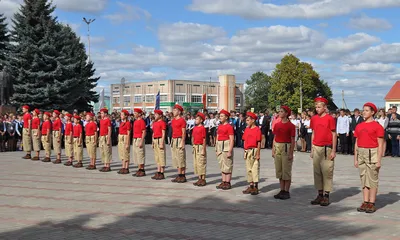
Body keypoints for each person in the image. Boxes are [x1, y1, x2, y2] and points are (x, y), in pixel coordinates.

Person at [354, 103, 384, 213]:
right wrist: (355, 158)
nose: (364, 112)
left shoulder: (377, 126)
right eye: (363, 110)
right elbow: (356, 143)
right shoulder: (359, 126)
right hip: (361, 152)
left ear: (372, 112)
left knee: (372, 179)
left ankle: (372, 203)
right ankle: (365, 201)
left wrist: (379, 160)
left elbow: (380, 144)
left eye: (366, 110)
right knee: (363, 178)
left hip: (372, 153)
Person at [310, 96, 337, 207]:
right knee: (317, 172)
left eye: (319, 106)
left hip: (327, 148)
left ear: (325, 107)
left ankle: (326, 195)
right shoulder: (314, 118)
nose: (317, 108)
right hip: (316, 147)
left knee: (327, 172)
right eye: (316, 106)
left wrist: (334, 150)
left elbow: (334, 134)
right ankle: (319, 194)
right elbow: (313, 133)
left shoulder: (330, 119)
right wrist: (312, 148)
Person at [272, 106, 295, 200]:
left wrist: (290, 153)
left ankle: (286, 191)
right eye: (279, 111)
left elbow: (292, 140)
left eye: (282, 112)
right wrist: (273, 149)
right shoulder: (277, 125)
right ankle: (281, 190)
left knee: (286, 171)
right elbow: (275, 137)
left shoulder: (291, 126)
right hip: (277, 146)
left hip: (286, 147)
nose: (279, 113)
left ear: (286, 114)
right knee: (279, 170)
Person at [242, 112, 262, 195]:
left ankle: (255, 186)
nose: (246, 122)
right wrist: (244, 150)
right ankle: (250, 185)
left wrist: (258, 153)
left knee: (255, 168)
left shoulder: (257, 130)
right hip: (247, 151)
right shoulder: (247, 129)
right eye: (246, 120)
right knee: (248, 169)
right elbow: (244, 140)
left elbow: (259, 142)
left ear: (253, 120)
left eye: (248, 120)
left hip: (254, 150)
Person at [215, 109, 235, 190]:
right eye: (220, 116)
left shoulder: (229, 126)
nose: (220, 117)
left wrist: (230, 150)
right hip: (220, 146)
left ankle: (227, 182)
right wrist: (216, 148)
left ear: (226, 117)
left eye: (222, 116)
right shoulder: (219, 126)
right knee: (222, 164)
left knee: (228, 164)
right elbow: (217, 137)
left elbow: (231, 139)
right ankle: (223, 181)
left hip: (226, 146)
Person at [170, 104, 187, 183]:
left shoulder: (182, 120)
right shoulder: (173, 120)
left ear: (179, 112)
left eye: (175, 110)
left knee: (181, 158)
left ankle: (182, 175)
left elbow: (184, 132)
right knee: (176, 158)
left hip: (180, 139)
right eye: (173, 110)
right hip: (174, 139)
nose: (174, 111)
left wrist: (183, 142)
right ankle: (179, 174)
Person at [192, 112, 207, 187]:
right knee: (197, 163)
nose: (196, 120)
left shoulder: (202, 128)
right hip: (195, 146)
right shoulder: (195, 128)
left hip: (200, 146)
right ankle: (199, 178)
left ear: (201, 120)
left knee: (201, 163)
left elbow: (204, 139)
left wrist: (204, 149)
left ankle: (203, 179)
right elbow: (193, 137)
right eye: (195, 119)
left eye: (197, 119)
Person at [151, 109, 167, 180]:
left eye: (156, 114)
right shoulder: (154, 123)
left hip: (160, 139)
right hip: (155, 139)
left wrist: (162, 142)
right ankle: (158, 171)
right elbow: (153, 133)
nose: (155, 116)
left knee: (161, 156)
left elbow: (163, 133)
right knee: (157, 157)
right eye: (155, 114)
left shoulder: (162, 122)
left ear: (160, 115)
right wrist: (152, 142)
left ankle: (162, 172)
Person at [132, 108, 147, 177]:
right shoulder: (135, 121)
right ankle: (139, 169)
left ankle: (142, 170)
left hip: (139, 139)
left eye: (135, 113)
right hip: (135, 139)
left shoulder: (142, 121)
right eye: (134, 113)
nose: (134, 114)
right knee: (137, 155)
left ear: (139, 114)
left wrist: (141, 141)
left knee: (140, 155)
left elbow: (144, 132)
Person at [118, 110, 131, 174]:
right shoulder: (121, 123)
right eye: (121, 115)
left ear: (126, 116)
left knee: (126, 154)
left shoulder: (128, 123)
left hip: (125, 138)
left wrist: (127, 143)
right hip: (121, 138)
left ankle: (126, 167)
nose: (121, 116)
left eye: (122, 115)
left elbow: (128, 133)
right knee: (122, 154)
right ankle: (123, 166)